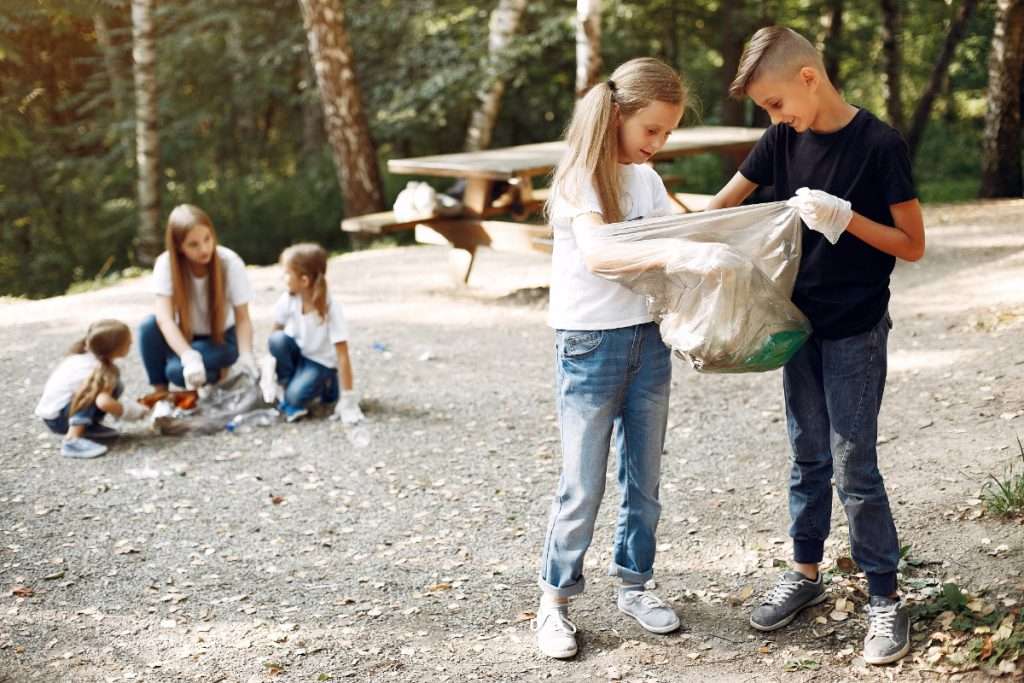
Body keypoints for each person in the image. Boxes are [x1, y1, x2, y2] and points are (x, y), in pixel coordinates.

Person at [706, 26, 925, 666]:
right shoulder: (781, 140)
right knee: (806, 456)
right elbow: (722, 207)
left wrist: (845, 217)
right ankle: (805, 575)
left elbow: (912, 245)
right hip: (794, 325)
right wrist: (653, 234)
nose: (776, 119)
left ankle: (886, 597)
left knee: (854, 460)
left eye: (775, 103)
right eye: (767, 113)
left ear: (808, 77)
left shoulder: (880, 144)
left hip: (856, 326)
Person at [533, 57, 687, 660]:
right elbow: (599, 254)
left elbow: (683, 238)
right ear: (618, 115)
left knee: (643, 481)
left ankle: (635, 584)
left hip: (648, 341)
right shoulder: (579, 179)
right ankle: (554, 602)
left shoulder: (647, 183)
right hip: (590, 344)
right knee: (583, 485)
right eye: (652, 130)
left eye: (668, 133)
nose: (659, 143)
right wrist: (678, 256)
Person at [138, 204, 258, 392]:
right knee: (147, 326)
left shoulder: (230, 262)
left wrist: (246, 356)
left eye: (207, 239)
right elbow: (165, 319)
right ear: (179, 246)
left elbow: (242, 317)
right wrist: (187, 356)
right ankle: (161, 395)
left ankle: (208, 371)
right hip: (187, 335)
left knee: (175, 372)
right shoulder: (166, 264)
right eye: (193, 244)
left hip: (222, 339)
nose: (204, 249)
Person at [260, 243, 364, 425]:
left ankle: (328, 387)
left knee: (294, 398)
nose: (282, 278)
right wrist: (269, 367)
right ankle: (287, 387)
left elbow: (342, 354)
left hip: (321, 362)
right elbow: (276, 332)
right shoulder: (289, 299)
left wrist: (348, 398)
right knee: (277, 340)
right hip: (301, 356)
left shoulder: (330, 308)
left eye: (286, 273)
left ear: (304, 280)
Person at [35, 320, 149, 458]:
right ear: (115, 348)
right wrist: (135, 412)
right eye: (128, 342)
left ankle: (87, 428)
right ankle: (72, 440)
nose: (131, 343)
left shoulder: (83, 358)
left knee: (114, 386)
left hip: (52, 416)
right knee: (92, 392)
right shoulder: (97, 371)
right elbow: (104, 402)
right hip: (58, 419)